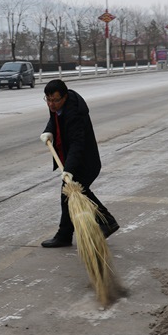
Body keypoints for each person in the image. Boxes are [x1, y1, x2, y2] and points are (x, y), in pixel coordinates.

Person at [39, 79, 120, 248]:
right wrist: (49, 131)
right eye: (48, 100)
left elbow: (77, 144)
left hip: (84, 161)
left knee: (74, 193)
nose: (51, 104)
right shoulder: (58, 106)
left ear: (65, 97)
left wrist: (68, 169)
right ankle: (65, 235)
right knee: (68, 195)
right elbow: (54, 119)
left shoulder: (75, 114)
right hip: (72, 159)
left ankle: (107, 221)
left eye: (55, 100)